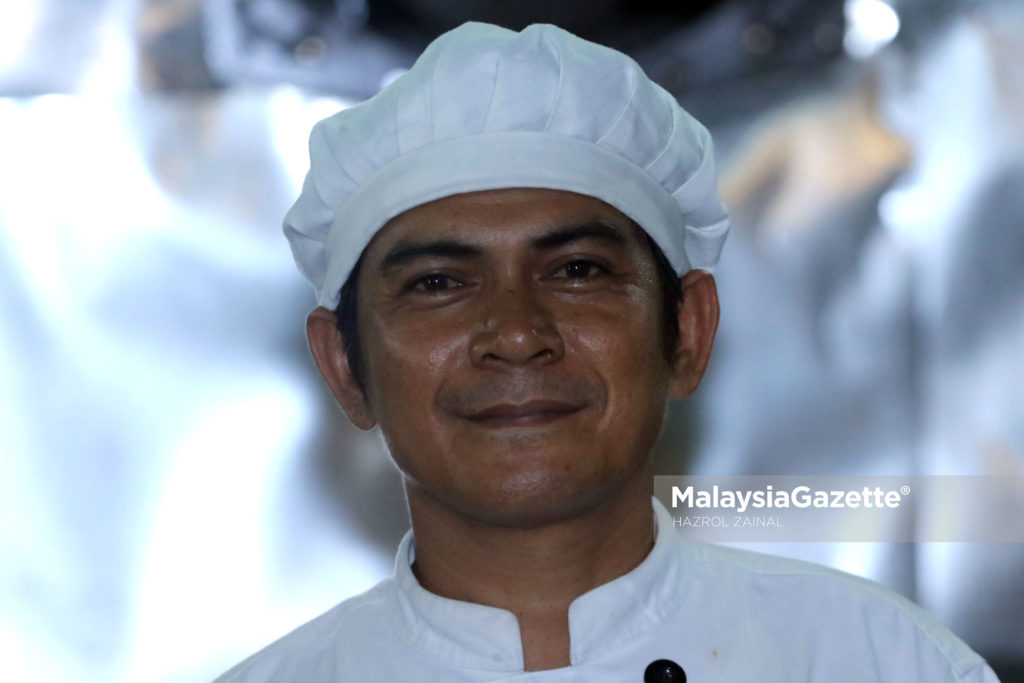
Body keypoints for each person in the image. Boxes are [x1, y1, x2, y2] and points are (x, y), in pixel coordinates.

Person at [215, 22, 999, 682]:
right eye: (440, 282)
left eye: (577, 270)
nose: (518, 332)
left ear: (687, 330)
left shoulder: (880, 661)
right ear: (344, 366)